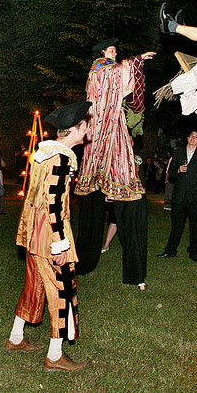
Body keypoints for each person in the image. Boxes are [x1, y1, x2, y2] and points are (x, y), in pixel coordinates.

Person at [7, 100, 90, 372]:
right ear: (75, 129)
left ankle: (16, 338)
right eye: (85, 125)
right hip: (50, 233)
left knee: (35, 285)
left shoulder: (44, 154)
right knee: (61, 290)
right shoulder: (62, 158)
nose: (88, 129)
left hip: (34, 231)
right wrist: (60, 243)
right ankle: (55, 356)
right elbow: (53, 201)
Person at [75, 37, 155, 290]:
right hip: (106, 125)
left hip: (105, 126)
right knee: (118, 161)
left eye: (116, 50)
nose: (115, 52)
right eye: (112, 50)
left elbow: (121, 86)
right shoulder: (101, 67)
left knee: (115, 161)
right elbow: (121, 72)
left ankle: (90, 258)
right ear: (102, 52)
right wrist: (137, 59)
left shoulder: (99, 70)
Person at [158, 130, 197, 262]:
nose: (193, 138)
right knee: (176, 225)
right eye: (191, 135)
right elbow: (171, 172)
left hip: (195, 197)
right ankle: (170, 250)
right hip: (179, 197)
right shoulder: (179, 152)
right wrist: (178, 170)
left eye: (196, 137)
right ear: (187, 138)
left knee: (195, 227)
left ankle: (193, 252)